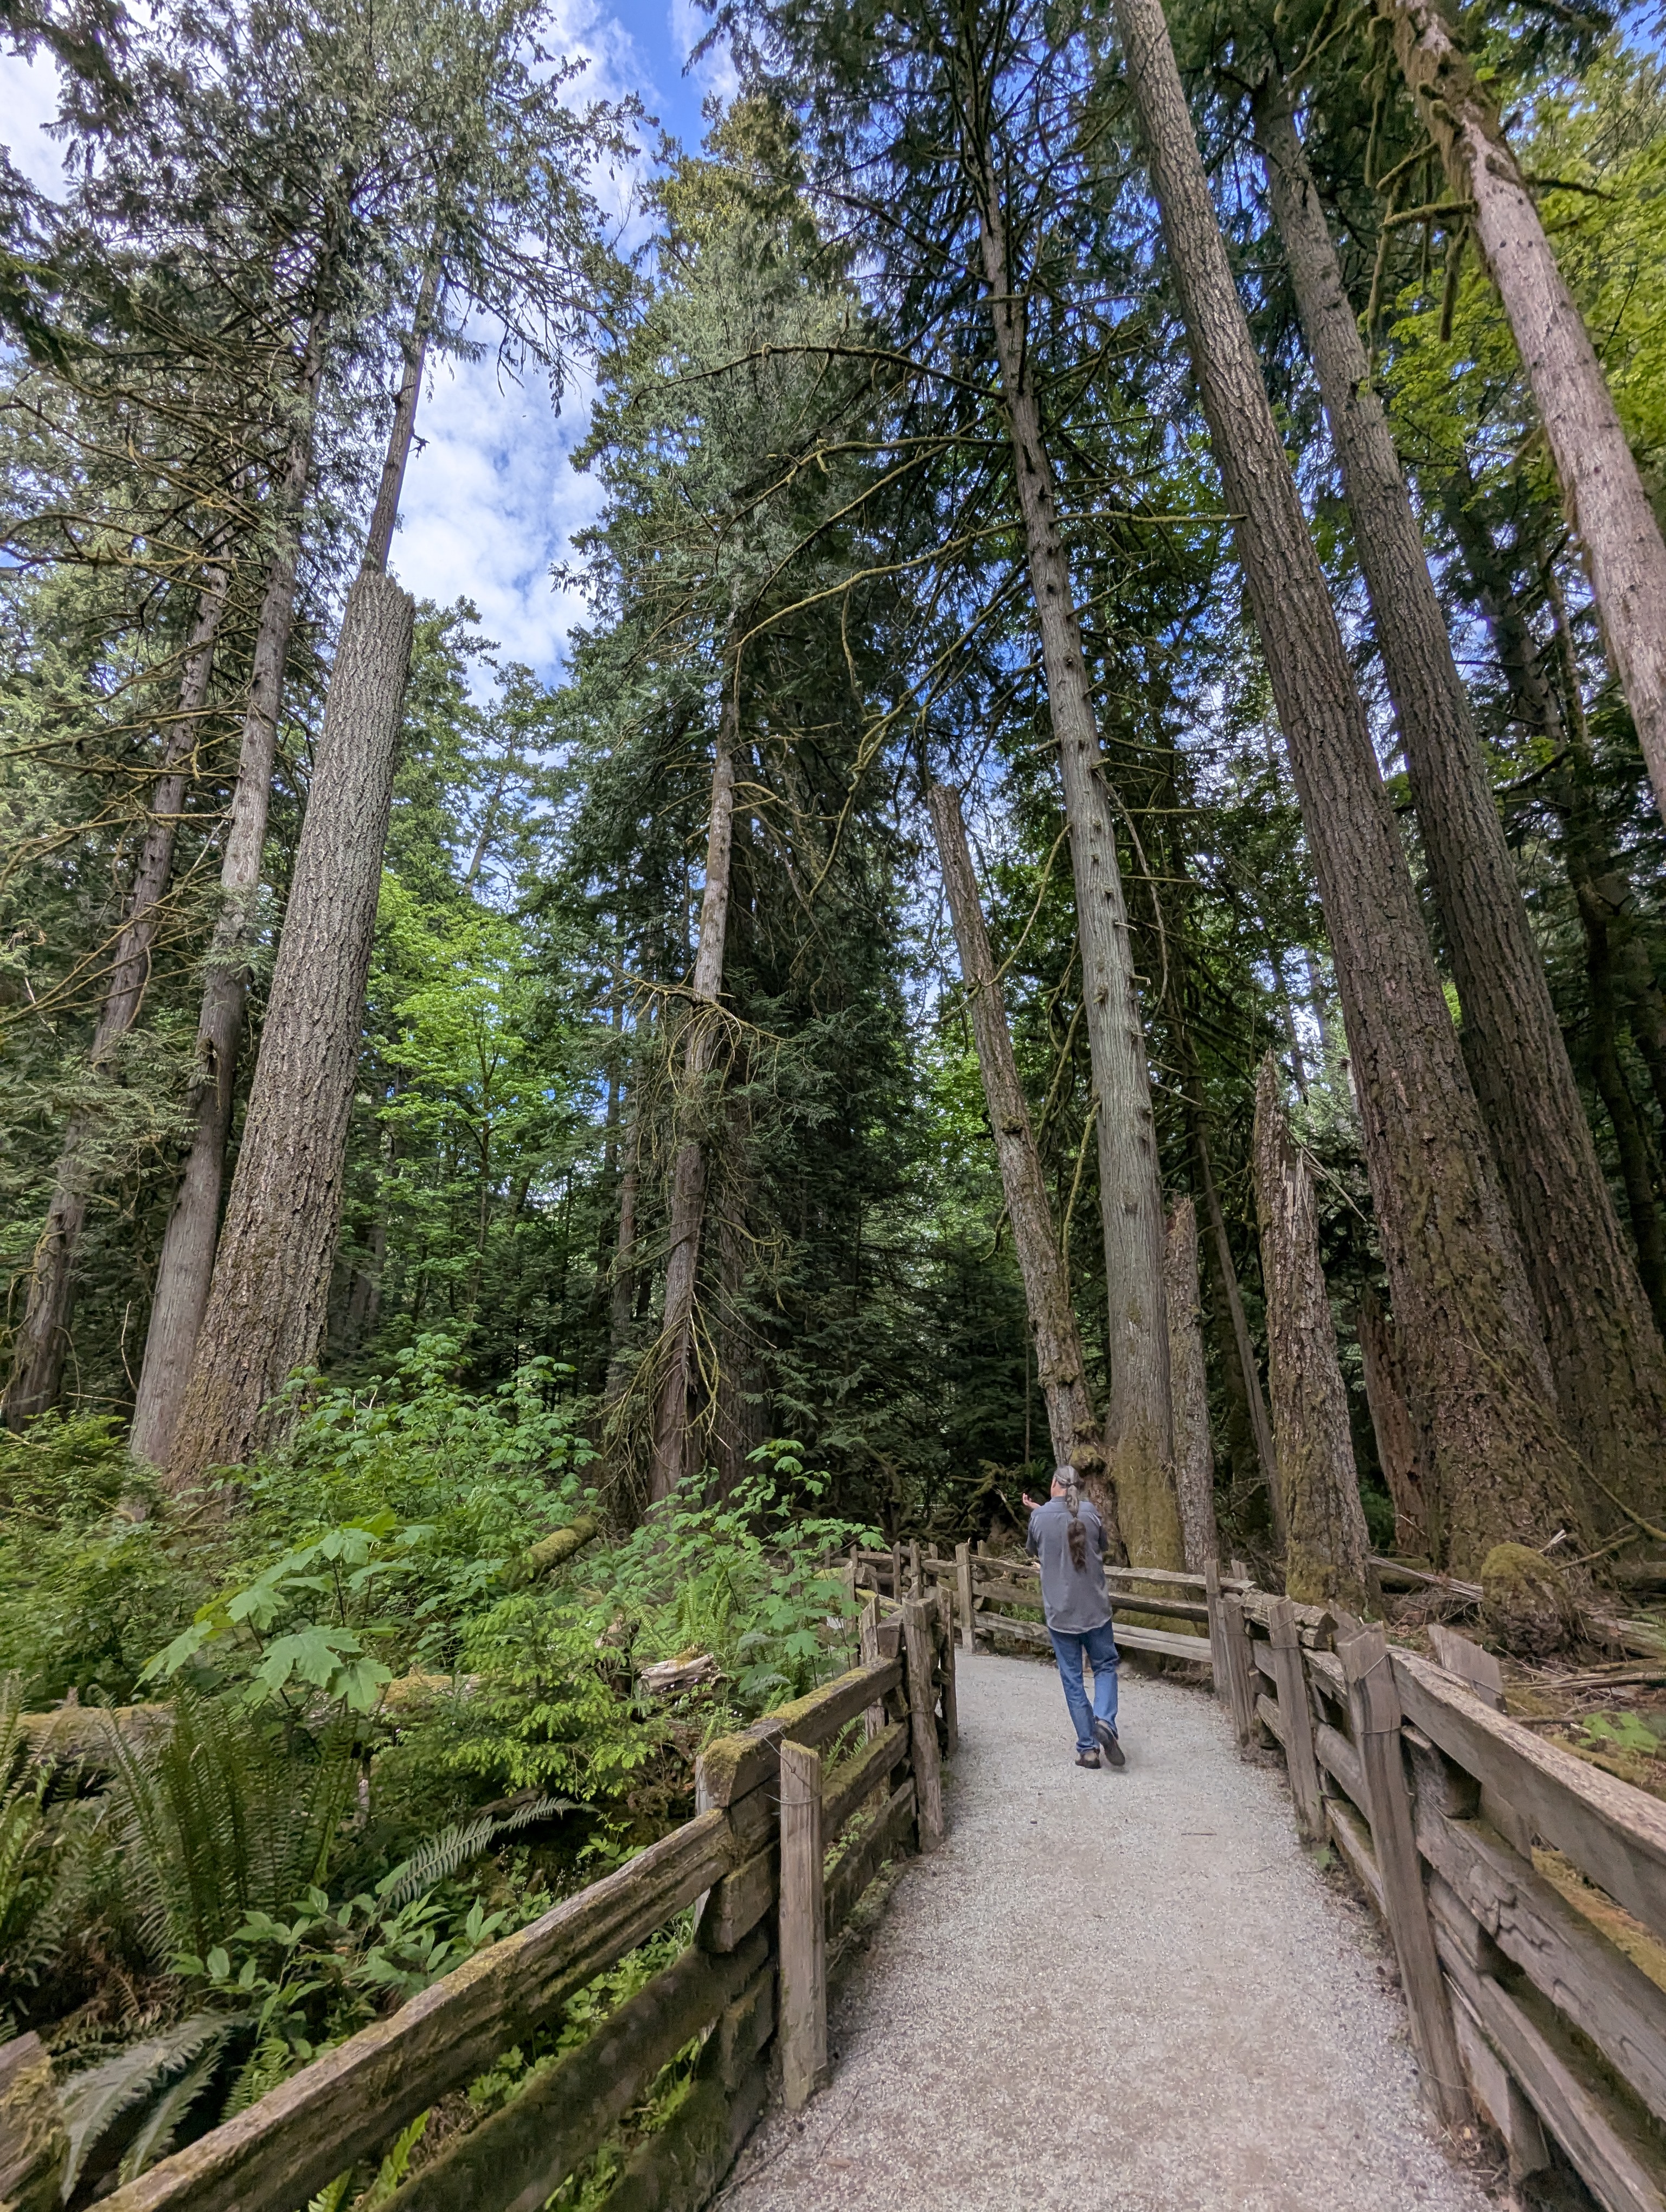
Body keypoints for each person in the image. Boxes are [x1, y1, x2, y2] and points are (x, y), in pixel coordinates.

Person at [1021, 1467, 1123, 1769]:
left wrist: (1040, 1513)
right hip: (1095, 1610)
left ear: (1055, 1483)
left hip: (1061, 1613)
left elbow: (1038, 1547)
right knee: (1105, 1666)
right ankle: (1104, 1720)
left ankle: (1088, 1750)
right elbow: (1096, 1544)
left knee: (1073, 1678)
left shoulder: (1038, 1519)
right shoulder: (1090, 1513)